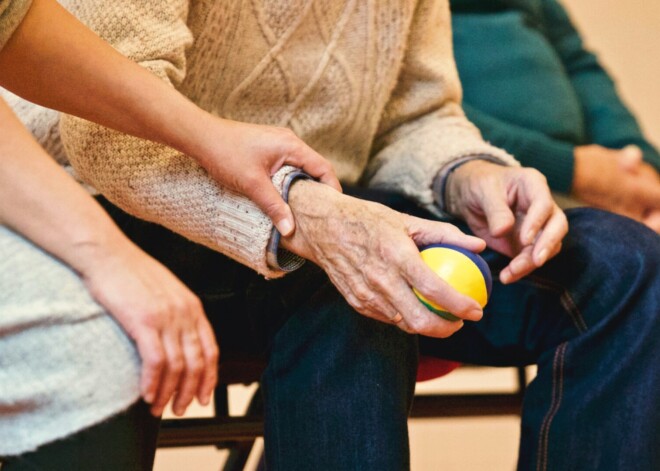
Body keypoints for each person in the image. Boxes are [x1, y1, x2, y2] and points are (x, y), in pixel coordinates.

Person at [5, 1, 659, 470]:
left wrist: (472, 174)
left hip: (344, 208)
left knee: (627, 267)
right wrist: (308, 218)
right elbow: (103, 134)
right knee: (357, 284)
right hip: (140, 207)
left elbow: (417, 114)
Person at [0, 0, 338, 468]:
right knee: (96, 357)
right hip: (74, 191)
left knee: (337, 287)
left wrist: (211, 135)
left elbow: (12, 25)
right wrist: (111, 258)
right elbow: (99, 142)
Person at [449, 0, 660, 231]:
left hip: (595, 182)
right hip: (484, 189)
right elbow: (423, 112)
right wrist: (571, 169)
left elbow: (579, 64)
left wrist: (641, 164)